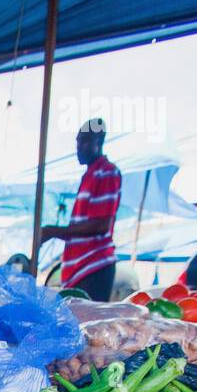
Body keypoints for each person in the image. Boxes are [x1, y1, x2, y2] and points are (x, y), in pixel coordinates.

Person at [40, 119, 122, 301]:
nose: (79, 147)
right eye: (78, 141)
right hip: (78, 269)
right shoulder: (89, 175)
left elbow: (101, 225)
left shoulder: (106, 172)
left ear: (99, 142)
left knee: (88, 326)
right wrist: (53, 232)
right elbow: (81, 229)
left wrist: (54, 231)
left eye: (85, 141)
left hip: (93, 266)